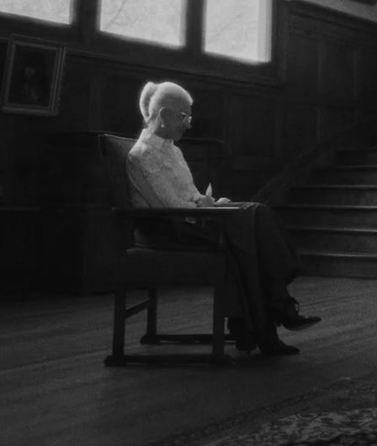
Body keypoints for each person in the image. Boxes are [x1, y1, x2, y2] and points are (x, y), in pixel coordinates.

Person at [126, 81, 321, 356]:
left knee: (257, 214)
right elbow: (168, 206)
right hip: (172, 229)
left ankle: (265, 320)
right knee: (249, 226)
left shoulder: (174, 150)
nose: (188, 124)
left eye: (189, 117)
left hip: (194, 219)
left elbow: (190, 194)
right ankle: (277, 309)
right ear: (164, 116)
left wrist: (211, 203)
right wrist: (205, 206)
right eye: (184, 117)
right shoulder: (142, 155)